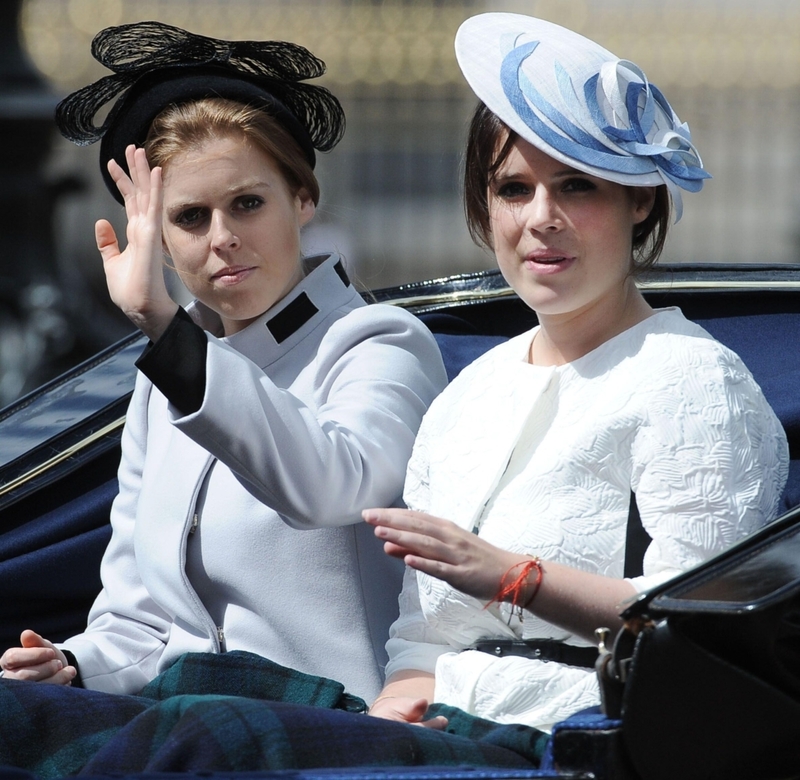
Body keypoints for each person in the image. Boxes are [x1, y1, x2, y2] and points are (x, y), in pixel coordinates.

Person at [364, 12, 789, 733]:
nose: (541, 218)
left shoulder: (691, 379)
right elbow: (422, 638)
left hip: (585, 736)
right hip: (444, 732)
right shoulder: (466, 395)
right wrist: (392, 715)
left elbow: (703, 629)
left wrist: (515, 577)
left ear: (640, 200)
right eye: (513, 189)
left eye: (577, 187)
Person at [0, 21, 447, 704]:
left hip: (334, 719)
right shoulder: (166, 382)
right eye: (190, 217)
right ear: (157, 235)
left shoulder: (380, 343)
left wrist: (164, 327)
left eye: (247, 203)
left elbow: (330, 489)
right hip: (183, 713)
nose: (224, 239)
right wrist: (72, 663)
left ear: (303, 200)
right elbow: (139, 623)